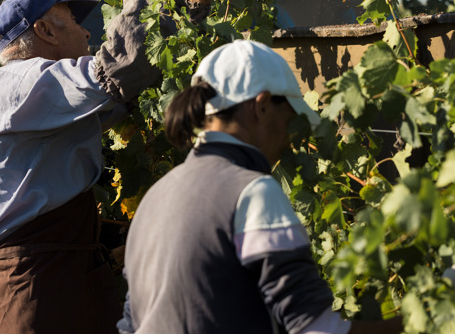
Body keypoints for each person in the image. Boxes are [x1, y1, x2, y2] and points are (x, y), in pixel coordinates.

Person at [0, 0, 215, 334]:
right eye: (74, 22)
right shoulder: (24, 83)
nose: (87, 34)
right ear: (46, 30)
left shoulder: (38, 101)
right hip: (36, 293)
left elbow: (126, 86)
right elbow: (122, 67)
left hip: (47, 283)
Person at [117, 40, 404, 334]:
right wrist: (421, 321)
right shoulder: (252, 192)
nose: (291, 138)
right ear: (262, 106)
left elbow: (131, 323)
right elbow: (317, 330)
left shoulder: (156, 196)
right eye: (290, 119)